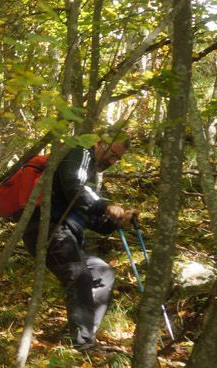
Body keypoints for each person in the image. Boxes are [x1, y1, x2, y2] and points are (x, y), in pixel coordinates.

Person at [23, 135, 138, 351]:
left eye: (118, 158)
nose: (113, 161)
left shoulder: (91, 174)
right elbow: (73, 187)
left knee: (103, 274)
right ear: (100, 143)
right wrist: (106, 206)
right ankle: (81, 343)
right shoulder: (79, 153)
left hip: (66, 236)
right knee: (80, 276)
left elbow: (94, 218)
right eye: (112, 154)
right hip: (47, 229)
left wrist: (117, 222)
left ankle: (80, 335)